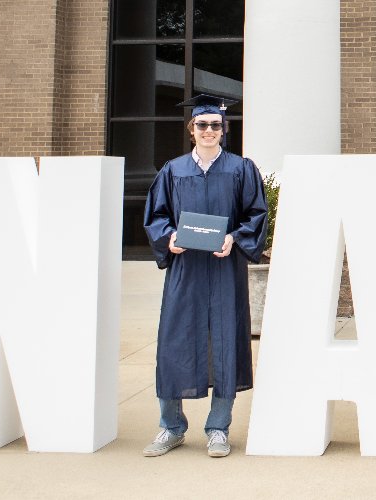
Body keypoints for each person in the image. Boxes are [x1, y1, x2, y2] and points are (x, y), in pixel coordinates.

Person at [141, 94, 269, 458]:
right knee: (173, 344)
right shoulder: (173, 171)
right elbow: (157, 215)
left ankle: (218, 428)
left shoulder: (241, 169)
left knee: (225, 343)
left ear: (223, 130)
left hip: (225, 269)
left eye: (215, 125)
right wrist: (169, 238)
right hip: (186, 270)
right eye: (202, 125)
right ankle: (171, 426)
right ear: (191, 129)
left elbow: (256, 214)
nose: (208, 130)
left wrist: (234, 238)